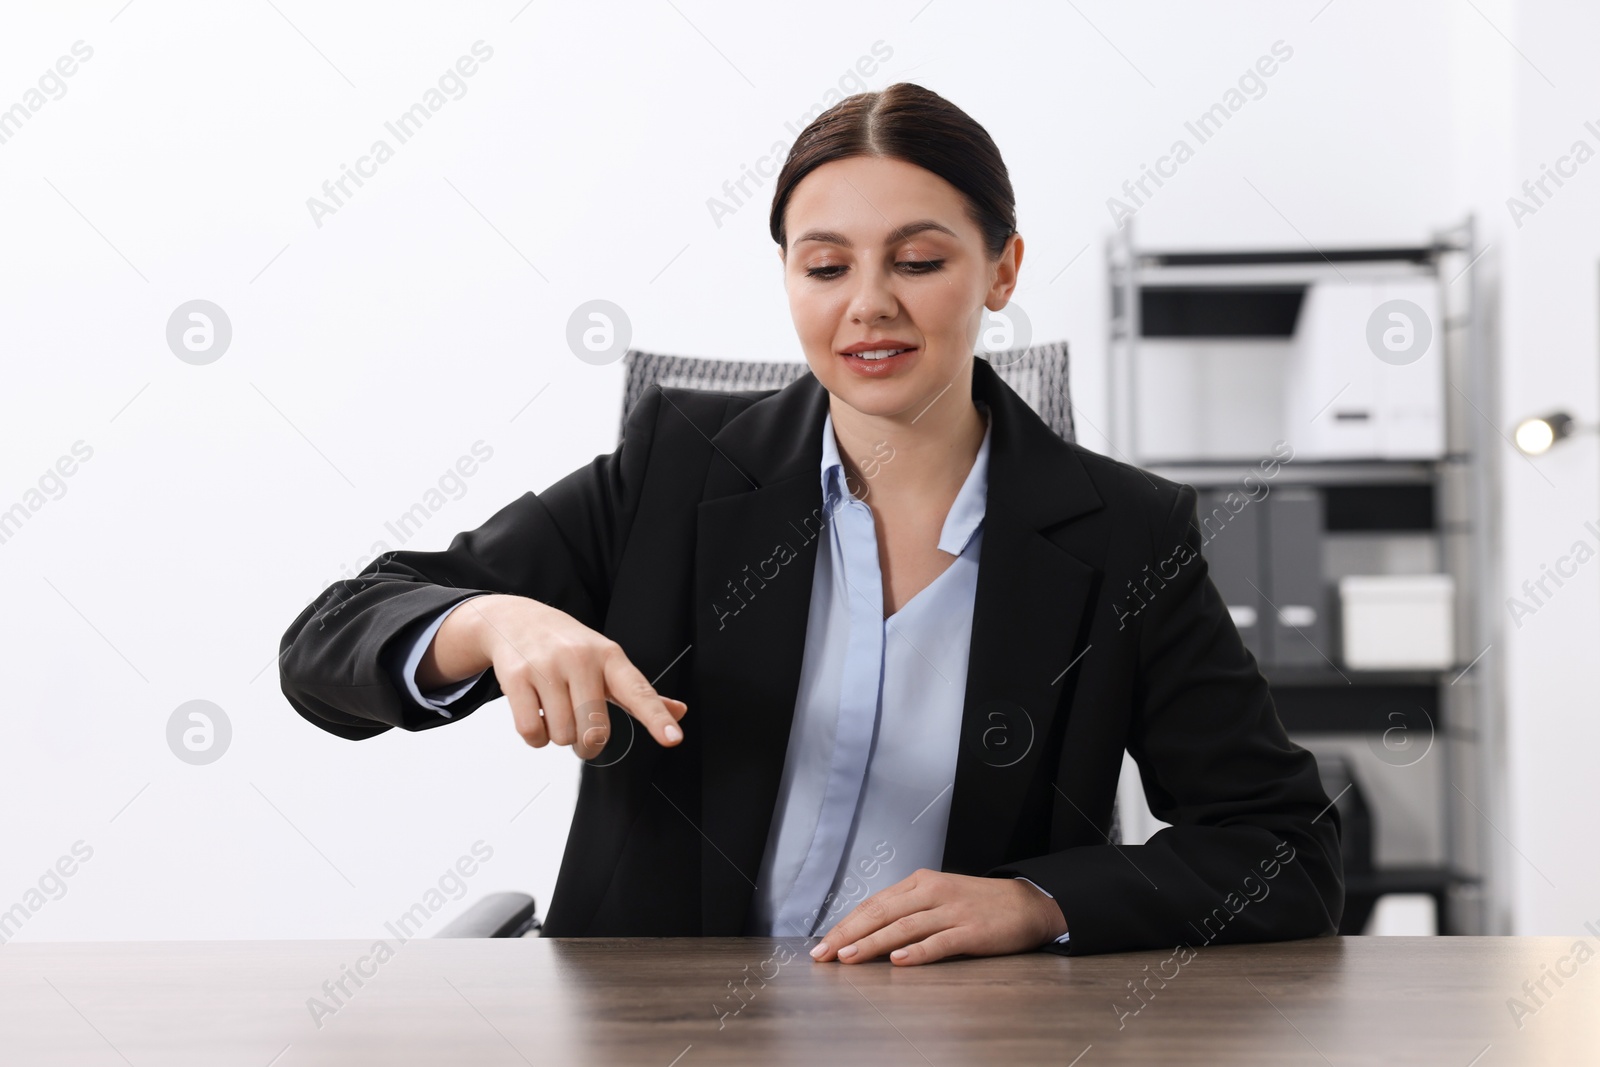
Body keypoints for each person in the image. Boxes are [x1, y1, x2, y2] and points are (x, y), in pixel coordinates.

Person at [279, 82, 1342, 964]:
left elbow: (1284, 849)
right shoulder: (677, 473)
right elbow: (329, 638)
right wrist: (497, 621)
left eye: (918, 262)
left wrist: (1037, 899)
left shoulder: (1124, 534)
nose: (867, 303)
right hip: (660, 1031)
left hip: (957, 1032)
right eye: (825, 266)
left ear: (1003, 269)